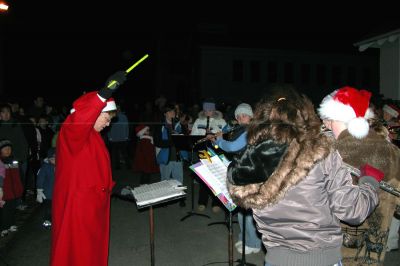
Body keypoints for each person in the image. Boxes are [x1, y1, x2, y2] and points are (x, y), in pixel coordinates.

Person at [227, 87, 381, 266]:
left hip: (276, 259)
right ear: (304, 117)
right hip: (321, 259)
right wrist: (370, 182)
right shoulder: (322, 152)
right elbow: (353, 210)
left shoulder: (251, 159)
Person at [50, 71, 126, 266]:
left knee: (92, 251)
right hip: (78, 207)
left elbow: (95, 169)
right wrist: (103, 94)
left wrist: (114, 187)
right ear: (93, 113)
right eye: (106, 118)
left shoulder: (94, 136)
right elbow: (80, 118)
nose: (108, 123)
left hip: (93, 204)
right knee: (78, 252)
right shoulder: (72, 132)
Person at [212, 103, 262, 255]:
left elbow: (233, 147)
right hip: (241, 173)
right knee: (240, 209)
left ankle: (254, 243)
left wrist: (220, 141)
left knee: (248, 211)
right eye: (238, 116)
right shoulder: (240, 128)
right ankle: (245, 237)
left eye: (244, 115)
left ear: (251, 116)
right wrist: (218, 136)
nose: (241, 118)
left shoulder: (251, 130)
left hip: (251, 174)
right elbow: (227, 133)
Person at [191, 99, 226, 212]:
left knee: (217, 177)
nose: (208, 112)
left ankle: (217, 203)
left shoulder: (221, 121)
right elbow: (193, 136)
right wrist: (203, 135)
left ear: (214, 110)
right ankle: (202, 201)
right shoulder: (198, 120)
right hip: (203, 150)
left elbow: (226, 135)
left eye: (210, 110)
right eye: (206, 110)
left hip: (217, 150)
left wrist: (215, 135)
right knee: (205, 177)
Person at [153, 103, 186, 207]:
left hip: (177, 155)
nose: (172, 113)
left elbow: (185, 138)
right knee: (165, 178)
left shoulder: (179, 125)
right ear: (165, 114)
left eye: (173, 111)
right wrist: (171, 142)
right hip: (165, 155)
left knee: (179, 178)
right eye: (170, 111)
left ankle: (180, 197)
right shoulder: (160, 126)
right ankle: (165, 198)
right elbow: (157, 142)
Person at [0, 139, 24, 237]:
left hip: (14, 190)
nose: (8, 151)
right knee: (3, 211)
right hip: (4, 191)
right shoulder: (0, 162)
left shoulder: (14, 161)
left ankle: (11, 224)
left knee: (11, 208)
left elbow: (20, 175)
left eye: (9, 149)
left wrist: (21, 186)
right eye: (5, 149)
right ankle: (3, 227)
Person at [36, 147, 56, 228]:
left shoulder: (62, 166)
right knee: (48, 209)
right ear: (49, 159)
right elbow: (40, 178)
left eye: (56, 158)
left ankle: (56, 221)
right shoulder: (45, 167)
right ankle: (47, 222)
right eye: (52, 159)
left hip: (58, 194)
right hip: (48, 194)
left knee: (56, 209)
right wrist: (39, 190)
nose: (54, 160)